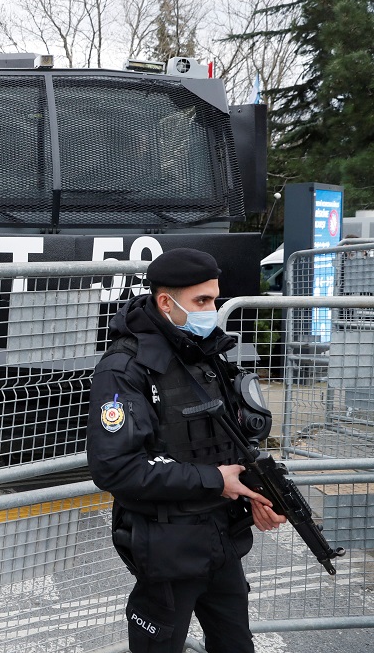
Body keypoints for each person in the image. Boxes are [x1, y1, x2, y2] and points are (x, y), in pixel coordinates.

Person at [86, 248, 285, 653]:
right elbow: (116, 469)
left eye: (214, 299)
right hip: (167, 548)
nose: (212, 310)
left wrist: (255, 494)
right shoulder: (125, 369)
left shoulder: (202, 352)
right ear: (166, 302)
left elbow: (223, 443)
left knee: (236, 646)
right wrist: (215, 480)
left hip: (220, 538)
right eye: (202, 301)